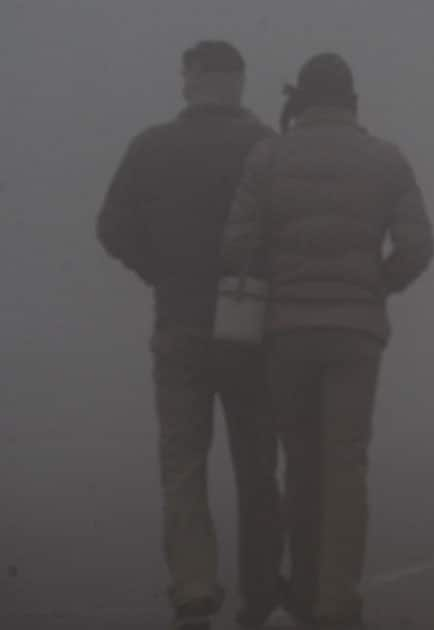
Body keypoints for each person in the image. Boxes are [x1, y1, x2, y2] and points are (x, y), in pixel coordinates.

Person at [221, 53, 434, 630]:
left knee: (301, 463)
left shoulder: (269, 156)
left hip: (287, 333)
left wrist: (282, 273)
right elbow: (417, 244)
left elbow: (237, 243)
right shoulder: (385, 159)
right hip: (355, 333)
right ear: (352, 100)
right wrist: (377, 285)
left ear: (304, 99)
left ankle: (305, 582)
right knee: (345, 466)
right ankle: (337, 600)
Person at [96, 42, 283, 630]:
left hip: (179, 320)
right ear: (239, 80)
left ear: (197, 77)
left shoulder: (152, 147)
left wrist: (160, 268)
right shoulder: (266, 147)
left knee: (183, 462)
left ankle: (194, 585)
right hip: (251, 324)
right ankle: (260, 587)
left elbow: (112, 227)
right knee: (256, 462)